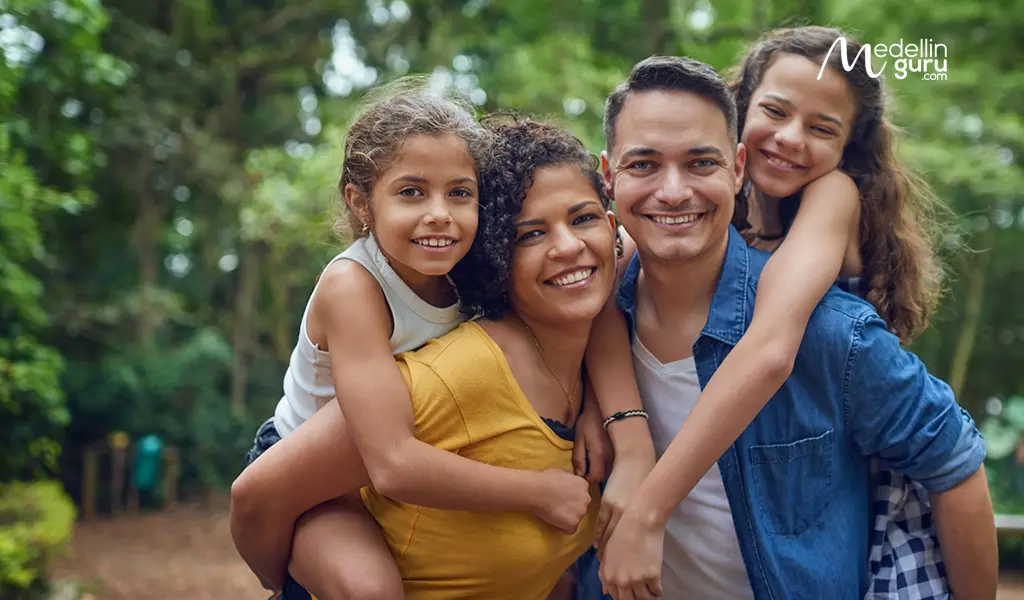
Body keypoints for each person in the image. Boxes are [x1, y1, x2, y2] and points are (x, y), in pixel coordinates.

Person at [584, 54, 996, 599]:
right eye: (643, 165)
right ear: (608, 176)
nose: (674, 190)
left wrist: (645, 512)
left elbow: (953, 459)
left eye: (701, 163)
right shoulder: (593, 305)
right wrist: (604, 413)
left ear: (736, 167)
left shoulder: (830, 322)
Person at [232, 83, 605, 599]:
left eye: (459, 193)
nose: (439, 213)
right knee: (371, 589)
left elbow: (609, 272)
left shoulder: (458, 266)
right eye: (412, 192)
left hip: (374, 474)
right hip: (313, 476)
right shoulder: (353, 287)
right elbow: (392, 463)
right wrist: (536, 491)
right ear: (361, 202)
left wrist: (599, 408)